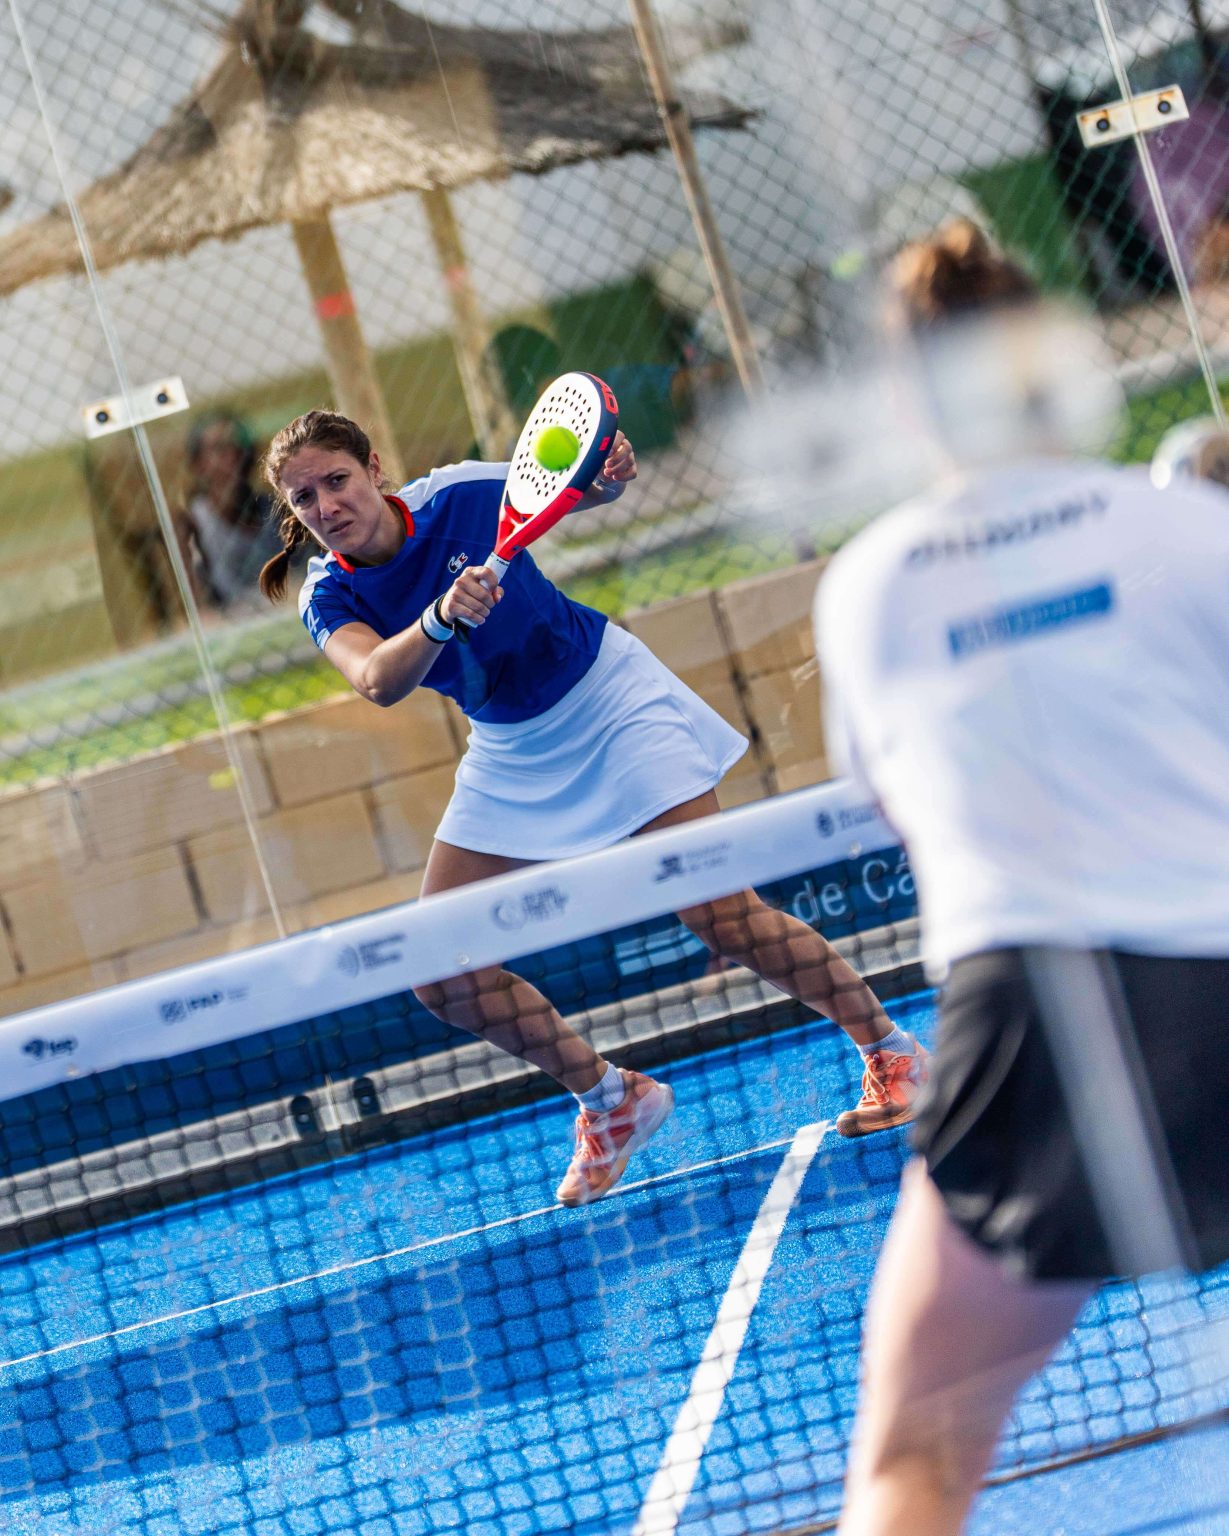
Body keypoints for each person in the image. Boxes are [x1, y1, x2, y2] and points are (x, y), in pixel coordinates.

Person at [816, 220, 1229, 1535]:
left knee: (912, 1460)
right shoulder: (1185, 530)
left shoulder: (866, 587)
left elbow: (892, 802)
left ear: (905, 401)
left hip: (1025, 1018)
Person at [257, 409, 929, 1206]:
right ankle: (613, 1100)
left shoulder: (461, 494)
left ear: (374, 468)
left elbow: (567, 489)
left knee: (720, 915)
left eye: (337, 480)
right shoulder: (328, 592)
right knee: (439, 970)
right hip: (510, 748)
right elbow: (376, 680)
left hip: (610, 701)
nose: (327, 505)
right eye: (304, 498)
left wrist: (606, 477)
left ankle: (893, 1054)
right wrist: (438, 617)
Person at [175, 411, 282, 613]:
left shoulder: (274, 507)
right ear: (199, 464)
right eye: (220, 449)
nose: (233, 456)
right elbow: (198, 607)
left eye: (238, 446)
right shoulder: (193, 522)